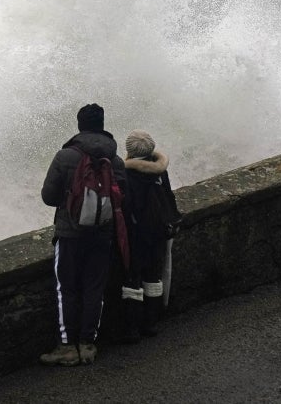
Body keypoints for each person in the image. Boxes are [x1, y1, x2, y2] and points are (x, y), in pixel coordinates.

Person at [39, 103, 127, 366]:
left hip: (70, 234)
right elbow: (123, 196)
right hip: (102, 234)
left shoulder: (65, 156)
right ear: (102, 124)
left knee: (65, 288)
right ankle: (88, 344)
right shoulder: (115, 159)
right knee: (94, 288)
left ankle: (67, 347)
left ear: (79, 125)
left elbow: (48, 196)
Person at [119, 129, 180, 342]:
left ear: (129, 150)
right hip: (159, 231)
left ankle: (130, 329)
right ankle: (151, 323)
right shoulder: (160, 171)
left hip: (137, 234)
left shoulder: (127, 173)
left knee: (132, 280)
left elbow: (125, 206)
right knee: (153, 277)